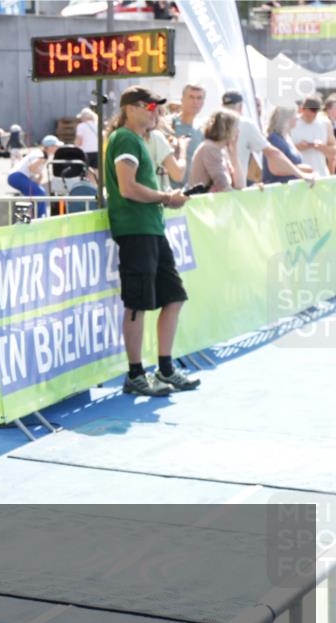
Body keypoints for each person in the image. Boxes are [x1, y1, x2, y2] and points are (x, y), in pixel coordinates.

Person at [104, 86, 198, 396]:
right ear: (129, 108)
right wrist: (166, 197)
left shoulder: (137, 140)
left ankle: (166, 369)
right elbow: (128, 188)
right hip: (136, 229)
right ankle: (135, 374)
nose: (154, 111)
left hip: (150, 228)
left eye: (156, 107)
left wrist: (164, 199)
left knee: (174, 296)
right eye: (148, 106)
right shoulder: (125, 139)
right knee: (137, 304)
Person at [221, 90, 307, 187]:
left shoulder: (210, 124)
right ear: (241, 106)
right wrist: (301, 174)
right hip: (236, 186)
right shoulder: (246, 124)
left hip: (213, 188)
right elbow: (272, 153)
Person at [188, 109, 242, 192]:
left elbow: (239, 185)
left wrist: (234, 153)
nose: (238, 131)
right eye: (235, 127)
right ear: (226, 129)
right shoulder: (209, 148)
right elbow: (223, 186)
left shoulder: (221, 150)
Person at [6, 135, 61, 218]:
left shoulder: (41, 154)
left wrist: (38, 178)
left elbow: (31, 170)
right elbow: (31, 168)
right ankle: (40, 217)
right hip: (17, 176)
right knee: (40, 193)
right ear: (50, 147)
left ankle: (29, 217)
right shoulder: (41, 155)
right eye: (56, 146)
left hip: (17, 177)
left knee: (35, 194)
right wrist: (41, 175)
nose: (57, 148)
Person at [262, 105, 316, 185]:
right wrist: (302, 169)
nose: (297, 118)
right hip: (278, 191)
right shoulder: (274, 139)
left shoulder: (286, 137)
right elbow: (275, 169)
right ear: (286, 118)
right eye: (295, 115)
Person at [170, 83, 205, 188]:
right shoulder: (169, 124)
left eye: (199, 98)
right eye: (191, 97)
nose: (195, 102)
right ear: (182, 99)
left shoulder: (202, 129)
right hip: (171, 193)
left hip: (194, 192)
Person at [291, 96, 335, 177]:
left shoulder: (325, 123)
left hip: (321, 175)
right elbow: (282, 151)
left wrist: (322, 147)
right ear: (302, 109)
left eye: (313, 116)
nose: (310, 119)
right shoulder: (292, 122)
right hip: (298, 176)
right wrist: (297, 147)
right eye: (308, 116)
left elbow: (333, 151)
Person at [144, 112, 187, 192]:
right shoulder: (155, 136)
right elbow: (178, 174)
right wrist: (183, 147)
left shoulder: (124, 135)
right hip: (154, 199)